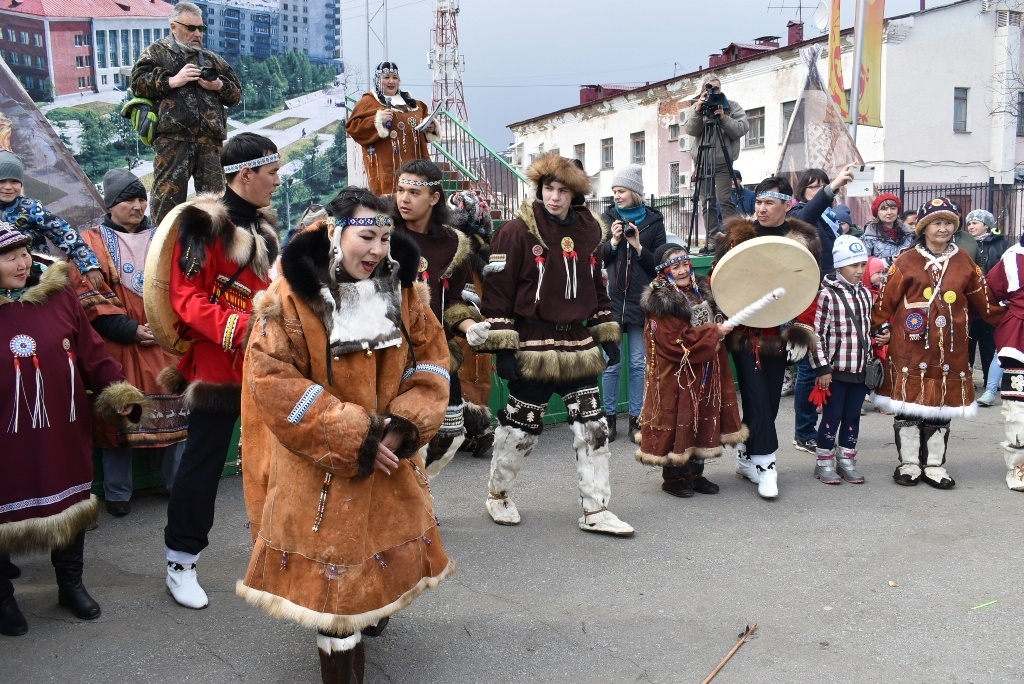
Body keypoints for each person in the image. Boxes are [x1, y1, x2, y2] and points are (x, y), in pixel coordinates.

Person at [237, 188, 453, 683]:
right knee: (334, 593)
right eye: (365, 236)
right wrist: (358, 434)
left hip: (391, 457)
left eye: (384, 238)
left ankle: (373, 613)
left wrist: (402, 427)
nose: (376, 250)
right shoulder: (287, 298)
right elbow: (271, 379)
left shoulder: (403, 291)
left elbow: (432, 361)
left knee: (376, 563)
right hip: (318, 464)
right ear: (335, 232)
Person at [0, 223, 144, 637]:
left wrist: (120, 393)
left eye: (25, 252)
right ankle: (2, 597)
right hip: (6, 438)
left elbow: (91, 352)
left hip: (62, 429)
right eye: (9, 256)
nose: (23, 262)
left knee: (71, 504)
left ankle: (70, 584)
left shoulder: (59, 295)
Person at [476, 153, 632, 536]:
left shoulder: (590, 231)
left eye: (563, 190)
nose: (555, 197)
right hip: (532, 343)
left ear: (576, 194)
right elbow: (496, 293)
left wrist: (605, 332)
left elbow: (598, 288)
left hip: (579, 344)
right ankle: (498, 495)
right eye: (549, 188)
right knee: (519, 429)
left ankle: (596, 510)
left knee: (593, 429)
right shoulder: (514, 231)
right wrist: (503, 349)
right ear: (539, 188)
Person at [156, 133, 280, 609]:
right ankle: (180, 560)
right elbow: (186, 299)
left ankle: (276, 551)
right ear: (246, 173)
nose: (277, 181)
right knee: (203, 464)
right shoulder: (202, 224)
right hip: (217, 365)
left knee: (279, 462)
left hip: (268, 362)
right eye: (271, 173)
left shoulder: (266, 229)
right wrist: (244, 327)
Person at [71, 169, 187, 516]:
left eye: (141, 199)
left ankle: (176, 486)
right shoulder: (88, 241)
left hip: (164, 341)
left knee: (177, 415)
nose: (137, 206)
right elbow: (85, 293)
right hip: (118, 344)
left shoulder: (165, 238)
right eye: (128, 200)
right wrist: (129, 329)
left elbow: (183, 284)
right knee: (118, 417)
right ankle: (118, 494)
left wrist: (164, 325)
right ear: (111, 205)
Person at [871, 198, 1003, 489]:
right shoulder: (906, 260)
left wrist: (1012, 316)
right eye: (936, 223)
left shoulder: (964, 261)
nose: (942, 228)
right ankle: (908, 463)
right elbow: (885, 301)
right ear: (924, 228)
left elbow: (986, 304)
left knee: (942, 407)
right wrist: (877, 328)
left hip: (951, 348)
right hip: (909, 346)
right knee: (907, 406)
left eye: (947, 223)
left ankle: (934, 465)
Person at [716, 176, 821, 499]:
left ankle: (747, 456)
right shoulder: (736, 238)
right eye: (758, 202)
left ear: (787, 206)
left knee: (769, 399)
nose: (761, 209)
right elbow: (718, 279)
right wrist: (723, 315)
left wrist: (802, 328)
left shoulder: (802, 241)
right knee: (757, 394)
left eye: (769, 203)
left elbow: (809, 287)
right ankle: (766, 465)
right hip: (746, 333)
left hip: (781, 332)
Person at [390, 159, 492, 478]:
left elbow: (455, 300)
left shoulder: (453, 244)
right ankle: (411, 511)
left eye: (414, 192)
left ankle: (420, 493)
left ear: (434, 198)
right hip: (388, 353)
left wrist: (470, 326)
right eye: (400, 190)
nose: (404, 198)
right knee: (403, 438)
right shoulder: (381, 233)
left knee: (450, 435)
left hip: (435, 352)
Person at [635, 242, 745, 498]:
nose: (683, 270)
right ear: (665, 271)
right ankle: (673, 478)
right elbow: (673, 341)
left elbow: (710, 322)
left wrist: (718, 326)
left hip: (705, 368)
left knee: (702, 415)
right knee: (678, 419)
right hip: (676, 373)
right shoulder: (661, 301)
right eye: (676, 266)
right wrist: (713, 332)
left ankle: (695, 473)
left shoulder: (701, 291)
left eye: (685, 263)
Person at [130, 1, 242, 227]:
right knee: (166, 206)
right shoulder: (157, 53)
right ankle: (162, 255)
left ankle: (214, 253)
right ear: (173, 27)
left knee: (215, 207)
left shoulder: (210, 59)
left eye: (201, 29)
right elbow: (137, 83)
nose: (197, 34)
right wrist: (171, 81)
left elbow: (236, 94)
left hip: (210, 144)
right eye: (190, 28)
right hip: (173, 142)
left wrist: (218, 86)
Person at [788, 165, 856, 455]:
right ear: (802, 192)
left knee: (823, 363)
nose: (818, 191)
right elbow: (807, 216)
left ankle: (819, 427)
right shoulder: (801, 214)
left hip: (829, 294)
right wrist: (832, 188)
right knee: (808, 364)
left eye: (823, 185)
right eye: (812, 186)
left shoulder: (830, 219)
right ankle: (804, 432)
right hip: (809, 297)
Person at [808, 236, 886, 484]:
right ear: (839, 266)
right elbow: (816, 335)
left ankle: (847, 460)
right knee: (832, 417)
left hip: (860, 369)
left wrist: (880, 335)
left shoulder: (866, 295)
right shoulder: (826, 295)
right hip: (835, 371)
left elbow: (868, 328)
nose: (860, 271)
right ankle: (824, 463)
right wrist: (821, 367)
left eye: (863, 265)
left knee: (852, 416)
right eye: (854, 265)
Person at [600, 164, 666, 443]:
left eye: (622, 191)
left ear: (635, 193)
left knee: (638, 364)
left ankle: (636, 419)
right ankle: (609, 419)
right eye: (614, 191)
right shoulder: (607, 218)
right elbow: (599, 257)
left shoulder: (654, 222)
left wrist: (638, 246)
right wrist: (614, 241)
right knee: (611, 363)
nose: (617, 196)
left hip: (641, 303)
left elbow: (660, 265)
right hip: (613, 303)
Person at [0, 150, 103, 290]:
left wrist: (88, 263)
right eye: (2, 181)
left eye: (14, 181)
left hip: (35, 276)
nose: (8, 187)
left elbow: (62, 233)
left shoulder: (30, 208)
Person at [447, 190, 497, 459]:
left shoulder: (456, 244)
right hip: (481, 316)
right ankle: (478, 431)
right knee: (479, 373)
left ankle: (476, 432)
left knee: (466, 372)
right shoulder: (483, 243)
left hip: (462, 316)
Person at [345, 62, 439, 196]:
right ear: (378, 80)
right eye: (386, 77)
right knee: (389, 204)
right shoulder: (368, 102)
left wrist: (431, 126)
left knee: (417, 198)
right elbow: (353, 127)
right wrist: (378, 120)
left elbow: (425, 119)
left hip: (416, 163)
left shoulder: (414, 104)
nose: (391, 81)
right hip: (387, 165)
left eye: (395, 77)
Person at [683, 76, 749, 235]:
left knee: (724, 200)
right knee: (706, 202)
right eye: (709, 88)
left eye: (716, 88)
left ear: (721, 89)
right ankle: (712, 239)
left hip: (723, 163)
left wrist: (724, 118)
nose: (713, 91)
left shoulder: (731, 107)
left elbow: (742, 129)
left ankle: (732, 236)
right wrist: (698, 111)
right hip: (703, 163)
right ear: (702, 91)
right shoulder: (697, 107)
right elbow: (691, 130)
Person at [984, 233, 1024, 491]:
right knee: (1018, 408)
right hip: (1020, 340)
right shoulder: (1013, 258)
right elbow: (988, 294)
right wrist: (1006, 318)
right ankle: (1019, 466)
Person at [965, 209, 1008, 407]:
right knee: (968, 341)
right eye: (969, 223)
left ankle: (989, 383)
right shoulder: (965, 243)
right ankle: (967, 379)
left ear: (987, 225)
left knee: (989, 342)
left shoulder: (1000, 244)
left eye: (975, 223)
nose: (971, 226)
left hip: (991, 299)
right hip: (969, 301)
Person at [862, 193, 914, 265]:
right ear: (877, 212)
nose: (889, 212)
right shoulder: (868, 238)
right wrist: (889, 261)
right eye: (884, 209)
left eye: (893, 208)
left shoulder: (909, 235)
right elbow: (865, 264)